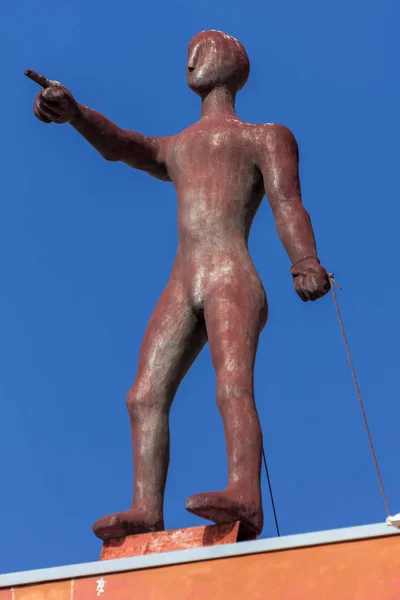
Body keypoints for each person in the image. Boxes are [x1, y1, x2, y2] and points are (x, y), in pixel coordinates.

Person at [26, 29, 330, 539]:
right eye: (190, 53)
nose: (191, 61)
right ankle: (147, 508)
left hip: (230, 275)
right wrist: (76, 114)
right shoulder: (179, 146)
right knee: (143, 395)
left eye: (202, 51)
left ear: (231, 63)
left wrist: (305, 259)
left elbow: (288, 204)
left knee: (232, 383)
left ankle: (245, 494)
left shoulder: (265, 137)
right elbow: (121, 144)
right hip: (184, 278)